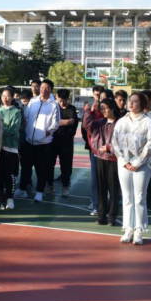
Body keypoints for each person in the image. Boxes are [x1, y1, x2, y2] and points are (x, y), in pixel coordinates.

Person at [112, 92, 151, 246]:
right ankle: (128, 229)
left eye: (135, 101)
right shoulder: (121, 121)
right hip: (123, 163)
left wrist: (138, 162)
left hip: (142, 165)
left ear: (142, 104)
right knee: (127, 197)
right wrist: (124, 161)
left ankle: (139, 229)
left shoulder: (148, 122)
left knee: (139, 198)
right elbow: (115, 142)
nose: (131, 104)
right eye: (130, 101)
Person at [19, 79, 60, 203]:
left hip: (43, 143)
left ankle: (39, 192)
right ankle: (22, 190)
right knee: (26, 168)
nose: (44, 90)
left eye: (47, 88)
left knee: (41, 169)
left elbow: (56, 123)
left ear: (51, 90)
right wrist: (26, 128)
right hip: (28, 141)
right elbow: (26, 116)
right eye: (42, 87)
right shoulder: (33, 101)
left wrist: (46, 132)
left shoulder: (54, 104)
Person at [84, 98, 122, 227]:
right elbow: (87, 125)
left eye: (106, 108)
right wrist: (90, 111)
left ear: (112, 108)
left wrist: (110, 148)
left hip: (114, 159)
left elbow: (124, 141)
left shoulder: (120, 123)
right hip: (100, 157)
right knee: (101, 188)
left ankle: (112, 216)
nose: (103, 111)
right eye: (102, 109)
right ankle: (101, 215)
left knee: (113, 188)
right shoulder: (100, 122)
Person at [51, 89, 79, 197]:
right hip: (53, 141)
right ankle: (49, 185)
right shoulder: (54, 108)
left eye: (65, 100)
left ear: (68, 99)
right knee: (49, 164)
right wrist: (65, 122)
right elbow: (51, 122)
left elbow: (72, 122)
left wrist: (57, 122)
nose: (62, 103)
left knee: (66, 165)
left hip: (66, 142)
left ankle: (65, 186)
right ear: (57, 98)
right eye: (60, 100)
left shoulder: (71, 109)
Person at [83, 85, 105, 215]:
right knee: (95, 178)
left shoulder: (108, 108)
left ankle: (108, 203)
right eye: (96, 95)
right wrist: (91, 111)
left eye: (100, 95)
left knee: (108, 179)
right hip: (94, 148)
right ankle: (96, 203)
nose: (98, 97)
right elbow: (86, 126)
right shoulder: (89, 108)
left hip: (108, 149)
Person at [0, 88, 22, 210]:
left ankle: (10, 198)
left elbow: (14, 128)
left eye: (8, 96)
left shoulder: (16, 112)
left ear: (12, 97)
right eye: (3, 95)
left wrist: (0, 133)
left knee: (10, 175)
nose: (5, 98)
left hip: (11, 148)